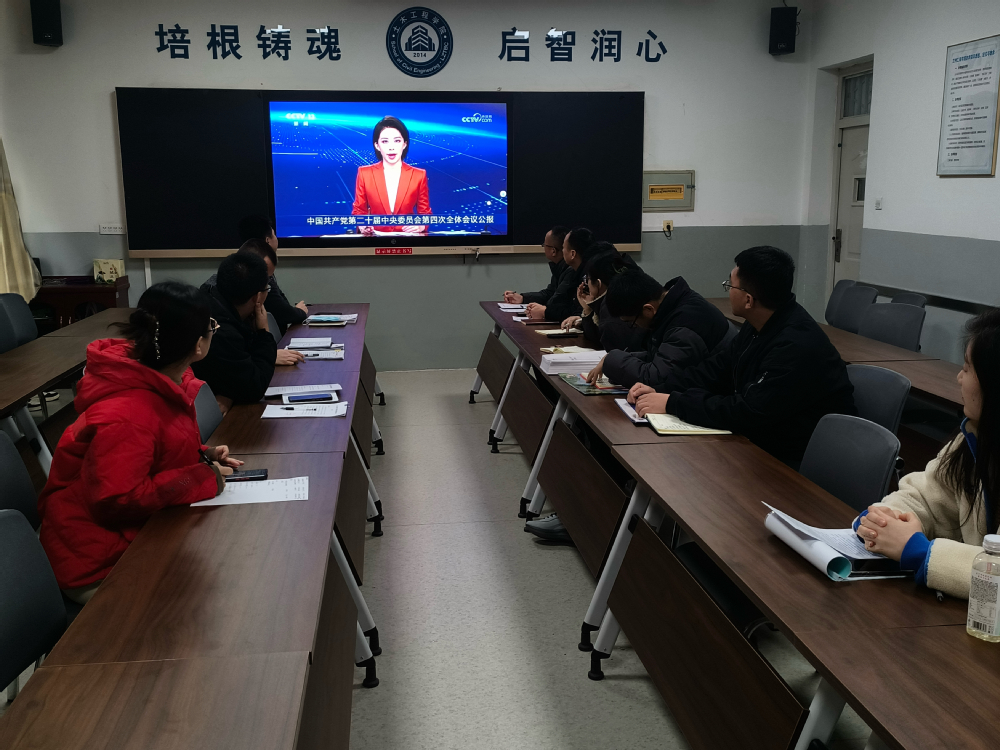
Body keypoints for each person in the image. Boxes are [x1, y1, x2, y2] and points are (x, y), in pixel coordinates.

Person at [37, 282, 241, 603]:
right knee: (214, 592)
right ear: (198, 345)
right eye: (211, 327)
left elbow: (154, 451)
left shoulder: (161, 378)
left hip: (132, 534)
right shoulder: (128, 414)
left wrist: (202, 455)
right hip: (98, 562)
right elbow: (119, 499)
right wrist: (199, 477)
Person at [628, 246, 856, 467]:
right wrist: (660, 389)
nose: (727, 291)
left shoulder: (796, 346)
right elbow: (715, 370)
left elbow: (748, 411)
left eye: (730, 286)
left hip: (795, 459)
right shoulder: (758, 324)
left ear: (748, 300)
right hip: (763, 439)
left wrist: (673, 403)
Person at [857, 309, 1000, 599]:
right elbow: (927, 494)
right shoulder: (977, 437)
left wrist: (920, 552)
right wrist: (885, 520)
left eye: (967, 368)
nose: (959, 378)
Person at [587, 268, 730, 387]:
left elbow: (657, 379)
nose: (635, 326)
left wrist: (613, 361)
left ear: (648, 310)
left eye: (631, 322)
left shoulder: (685, 326)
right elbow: (659, 357)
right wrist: (615, 358)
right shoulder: (675, 304)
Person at [193, 250, 292, 413]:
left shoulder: (214, 298)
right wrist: (264, 333)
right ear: (257, 297)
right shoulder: (220, 330)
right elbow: (254, 387)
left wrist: (230, 395)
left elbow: (238, 378)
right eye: (267, 289)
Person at [559, 243, 646, 352]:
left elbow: (608, 345)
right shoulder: (624, 289)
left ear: (598, 283)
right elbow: (599, 337)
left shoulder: (613, 304)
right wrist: (588, 309)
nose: (585, 283)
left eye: (587, 278)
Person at [352, 116, 431, 234]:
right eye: (385, 141)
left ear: (404, 144)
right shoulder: (365, 173)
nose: (391, 147)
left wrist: (421, 225)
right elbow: (359, 210)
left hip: (408, 238)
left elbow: (425, 213)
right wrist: (363, 225)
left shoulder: (418, 175)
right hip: (375, 238)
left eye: (397, 141)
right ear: (377, 145)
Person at [238, 215, 308, 331]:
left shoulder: (242, 263)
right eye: (274, 235)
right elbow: (282, 311)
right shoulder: (259, 268)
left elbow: (281, 300)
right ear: (267, 240)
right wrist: (299, 311)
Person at [526, 227, 595, 322]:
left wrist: (545, 312)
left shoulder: (587, 276)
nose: (562, 251)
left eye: (563, 248)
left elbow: (571, 310)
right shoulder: (577, 271)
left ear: (573, 254)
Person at [504, 226, 570, 305]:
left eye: (545, 245)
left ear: (553, 251)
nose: (543, 248)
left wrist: (544, 310)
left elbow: (559, 301)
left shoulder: (570, 271)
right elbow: (549, 294)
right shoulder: (558, 267)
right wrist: (523, 298)